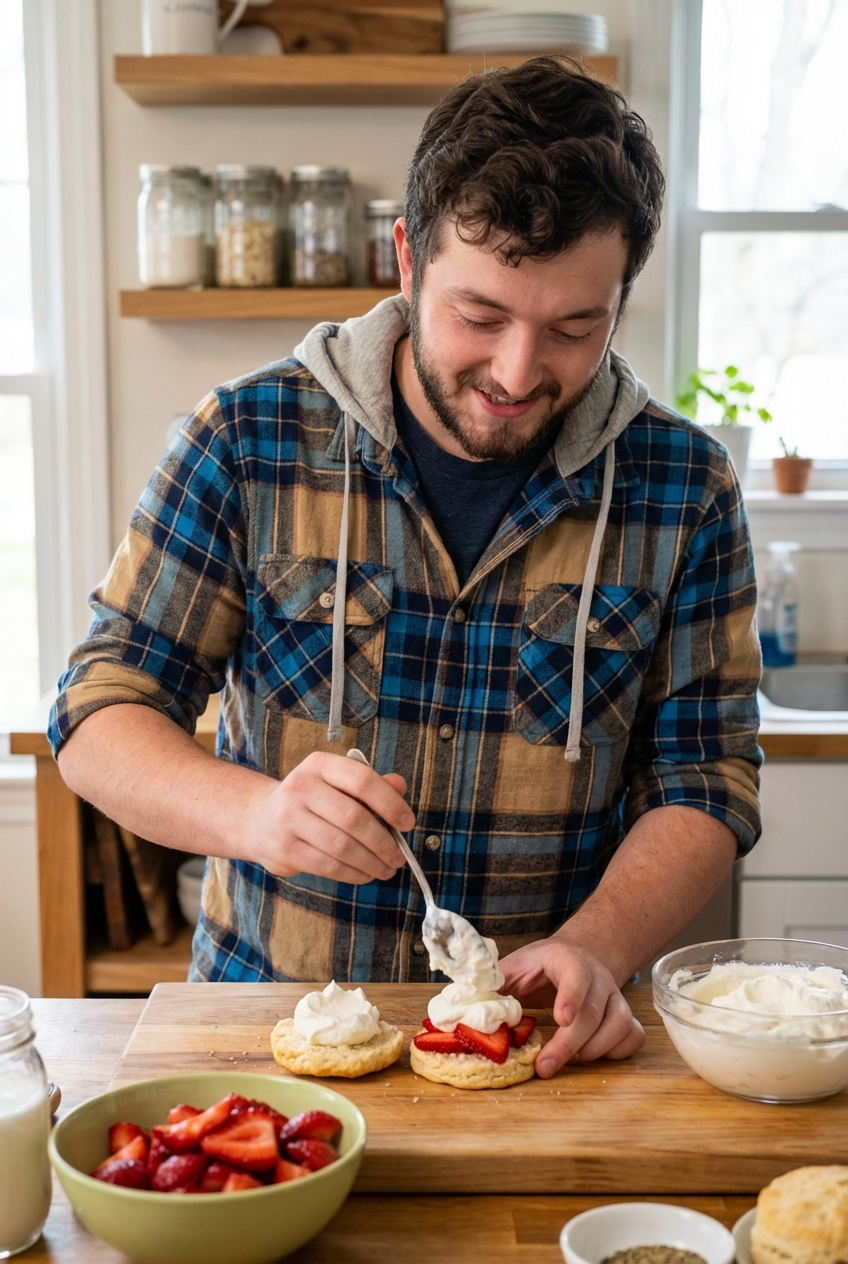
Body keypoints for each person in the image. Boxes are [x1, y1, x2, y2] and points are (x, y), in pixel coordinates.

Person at [51, 57, 762, 1079]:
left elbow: (708, 777)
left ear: (620, 295)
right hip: (265, 1033)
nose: (517, 374)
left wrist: (597, 945)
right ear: (406, 260)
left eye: (572, 327)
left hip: (533, 1049)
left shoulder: (685, 486)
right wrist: (259, 814)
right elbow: (98, 714)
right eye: (479, 316)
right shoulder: (244, 438)